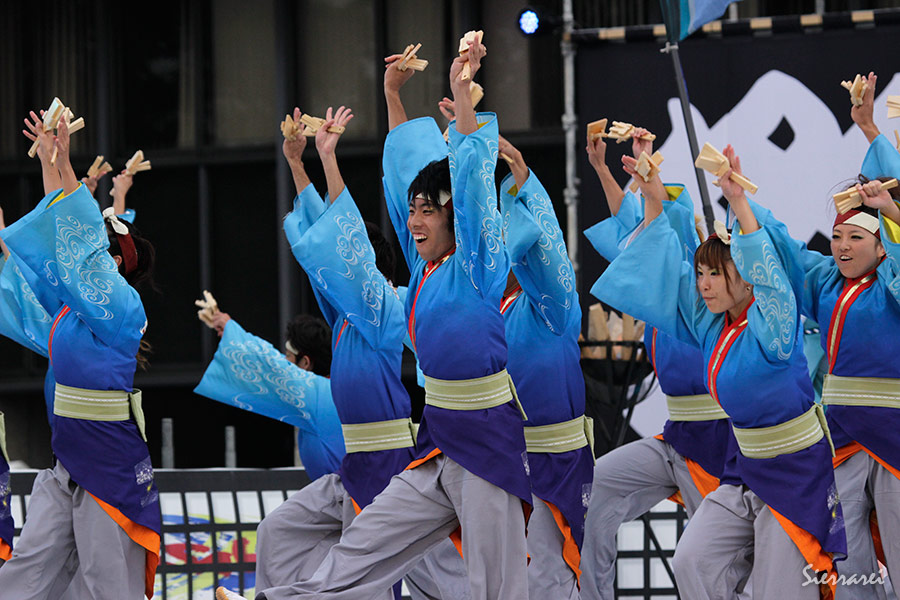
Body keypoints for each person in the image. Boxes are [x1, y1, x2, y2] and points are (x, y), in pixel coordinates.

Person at [218, 37, 529, 600]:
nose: (414, 221)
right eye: (411, 211)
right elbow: (408, 169)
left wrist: (462, 95)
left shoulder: (476, 263)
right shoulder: (423, 274)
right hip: (435, 446)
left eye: (428, 211)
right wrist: (390, 96)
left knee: (494, 588)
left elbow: (470, 189)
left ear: (455, 218)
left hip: (485, 444)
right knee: (359, 554)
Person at [593, 145, 845, 599]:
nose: (704, 284)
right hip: (741, 467)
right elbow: (665, 263)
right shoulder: (711, 324)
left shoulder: (775, 322)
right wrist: (651, 191)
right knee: (693, 560)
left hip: (794, 470)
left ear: (745, 276)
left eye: (716, 274)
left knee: (778, 590)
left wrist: (738, 200)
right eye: (702, 274)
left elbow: (770, 276)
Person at [746, 71, 900, 599]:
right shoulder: (826, 282)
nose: (842, 246)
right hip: (841, 437)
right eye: (836, 236)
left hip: (894, 436)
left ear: (882, 245)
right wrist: (742, 205)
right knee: (850, 565)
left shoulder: (893, 283)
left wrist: (871, 134)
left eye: (855, 237)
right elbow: (785, 250)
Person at [0, 113, 159, 597]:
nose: (80, 257)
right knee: (27, 573)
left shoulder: (124, 309)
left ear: (114, 263)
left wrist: (66, 163)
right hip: (67, 456)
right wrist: (50, 160)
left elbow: (77, 242)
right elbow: (62, 239)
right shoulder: (69, 309)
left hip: (107, 463)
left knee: (107, 583)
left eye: (99, 252)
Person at [580, 129, 742, 600]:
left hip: (716, 440)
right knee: (594, 489)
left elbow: (652, 232)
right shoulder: (660, 279)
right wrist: (604, 170)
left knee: (715, 561)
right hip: (676, 437)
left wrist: (651, 184)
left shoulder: (703, 293)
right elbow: (632, 232)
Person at [492, 134, 593, 600]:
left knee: (551, 573)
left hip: (557, 460)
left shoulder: (553, 308)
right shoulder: (484, 311)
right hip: (502, 460)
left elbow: (552, 262)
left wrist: (522, 176)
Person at [195, 307, 345, 481]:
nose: (284, 360)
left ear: (305, 363)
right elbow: (277, 366)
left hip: (346, 494)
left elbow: (272, 365)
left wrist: (231, 330)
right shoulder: (336, 390)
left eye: (288, 356)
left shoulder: (318, 395)